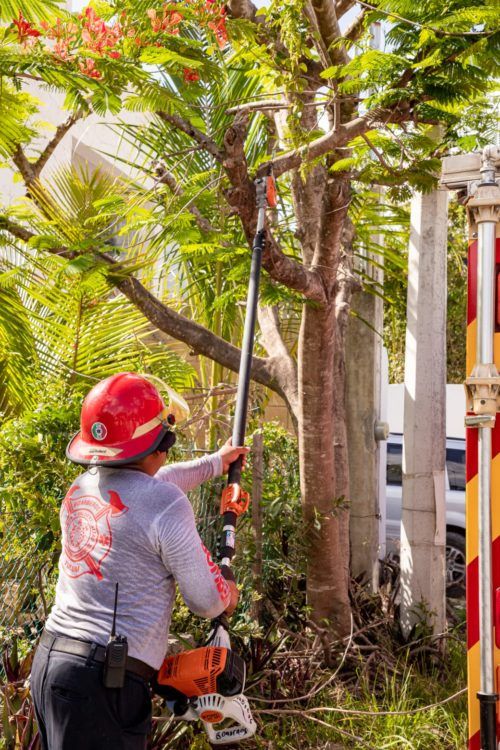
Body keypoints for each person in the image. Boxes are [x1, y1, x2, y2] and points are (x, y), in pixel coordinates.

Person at [30, 372, 249, 750]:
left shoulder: (82, 487)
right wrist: (227, 592)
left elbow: (155, 483)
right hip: (102, 685)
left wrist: (216, 462)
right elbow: (207, 601)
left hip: (51, 665)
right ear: (160, 443)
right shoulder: (164, 504)